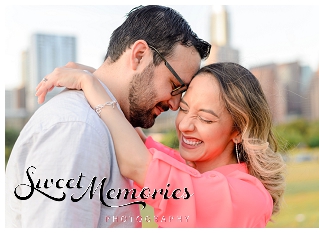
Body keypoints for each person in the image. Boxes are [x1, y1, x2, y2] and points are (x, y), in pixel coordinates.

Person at [6, 5, 210, 227]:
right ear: (139, 55)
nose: (175, 104)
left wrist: (93, 78)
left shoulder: (105, 125)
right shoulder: (79, 128)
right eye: (174, 85)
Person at [35, 62, 286, 227]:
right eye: (184, 109)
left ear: (238, 132)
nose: (185, 125)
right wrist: (100, 78)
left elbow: (136, 163)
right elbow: (134, 140)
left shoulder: (244, 195)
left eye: (206, 119)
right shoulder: (193, 172)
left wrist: (89, 83)